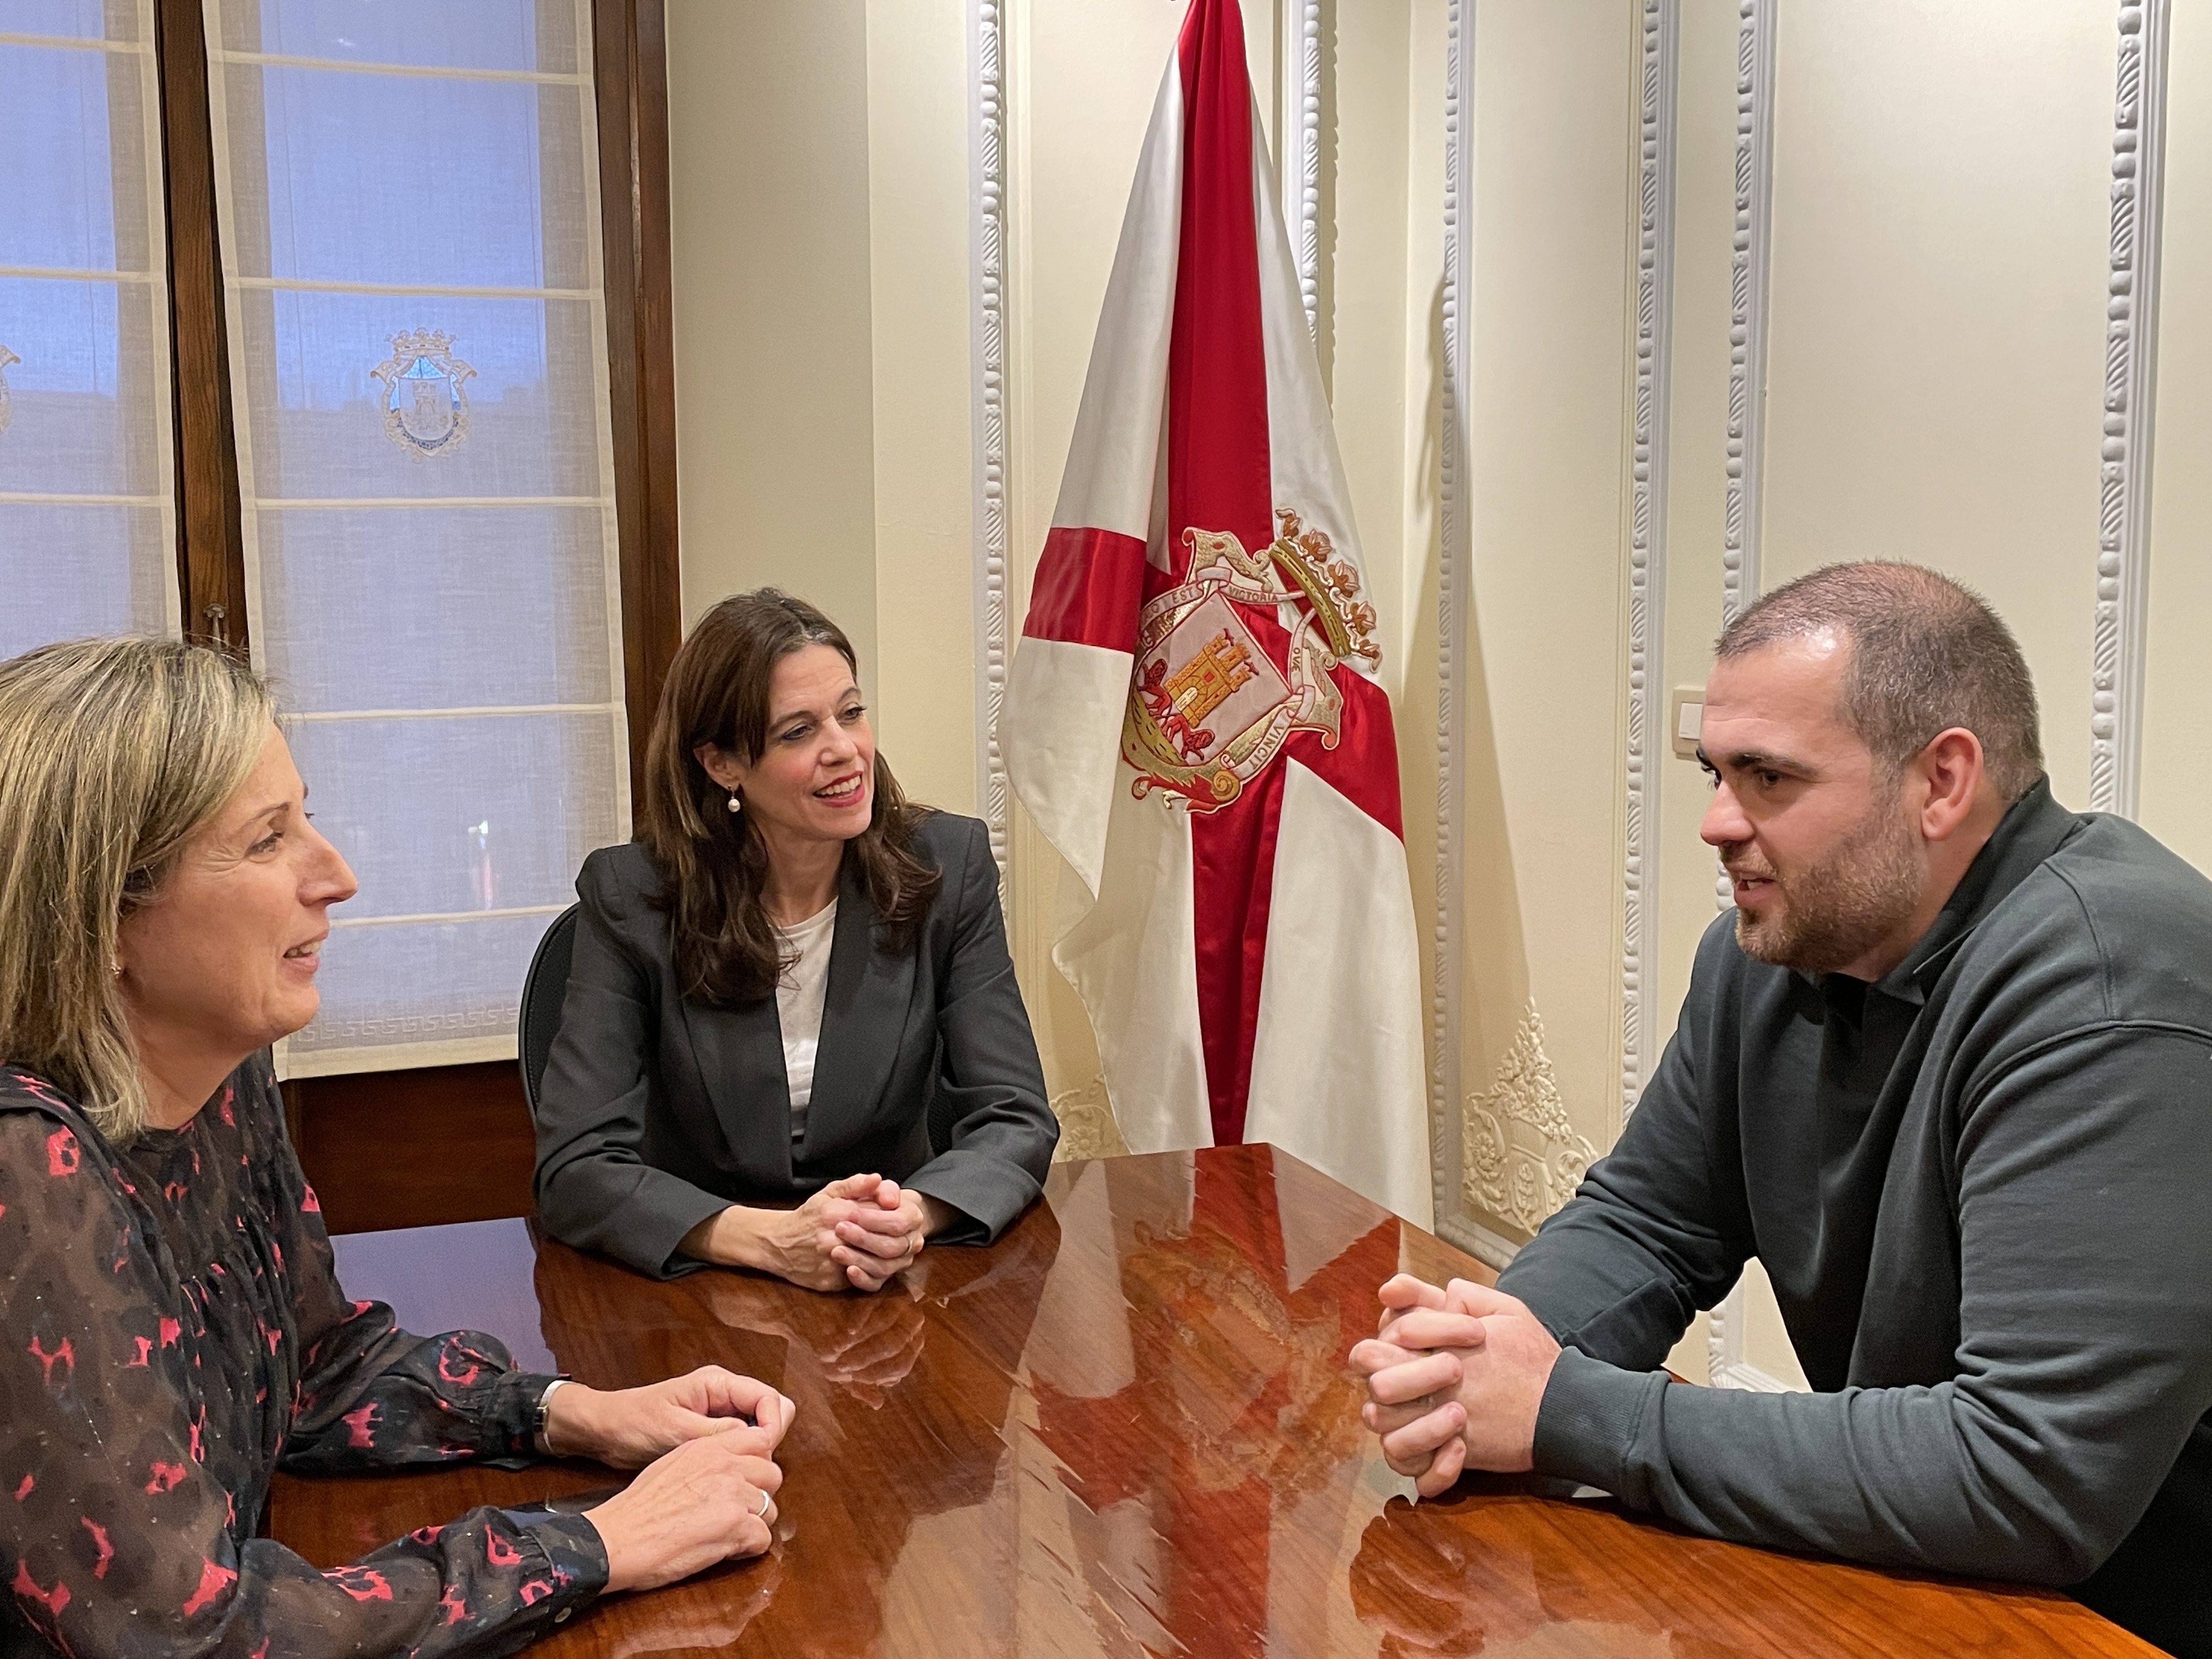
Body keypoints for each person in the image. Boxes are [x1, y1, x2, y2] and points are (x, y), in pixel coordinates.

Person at [1352, 563, 2212, 1658]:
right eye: (1714, 772)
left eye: (1767, 777)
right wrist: (1470, 1368)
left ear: (1941, 781)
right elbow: (1649, 1221)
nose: (1716, 822)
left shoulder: (2113, 992)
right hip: (1927, 1585)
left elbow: (2030, 1474)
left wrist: (1567, 1408)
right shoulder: (1776, 949)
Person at [0, 637, 795, 1659]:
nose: (337, 876)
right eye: (267, 840)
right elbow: (188, 1637)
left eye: (307, 819)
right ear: (100, 910)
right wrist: (595, 1542)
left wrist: (573, 1414)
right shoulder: (26, 1167)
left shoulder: (218, 1069)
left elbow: (315, 1368)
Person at [533, 589, 1058, 1287]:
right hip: (707, 1282)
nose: (844, 751)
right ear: (722, 764)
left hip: (892, 1272)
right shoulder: (632, 897)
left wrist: (909, 1217)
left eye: (851, 713)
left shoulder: (946, 868)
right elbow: (575, 1167)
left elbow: (1015, 1116)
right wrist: (773, 1239)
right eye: (797, 732)